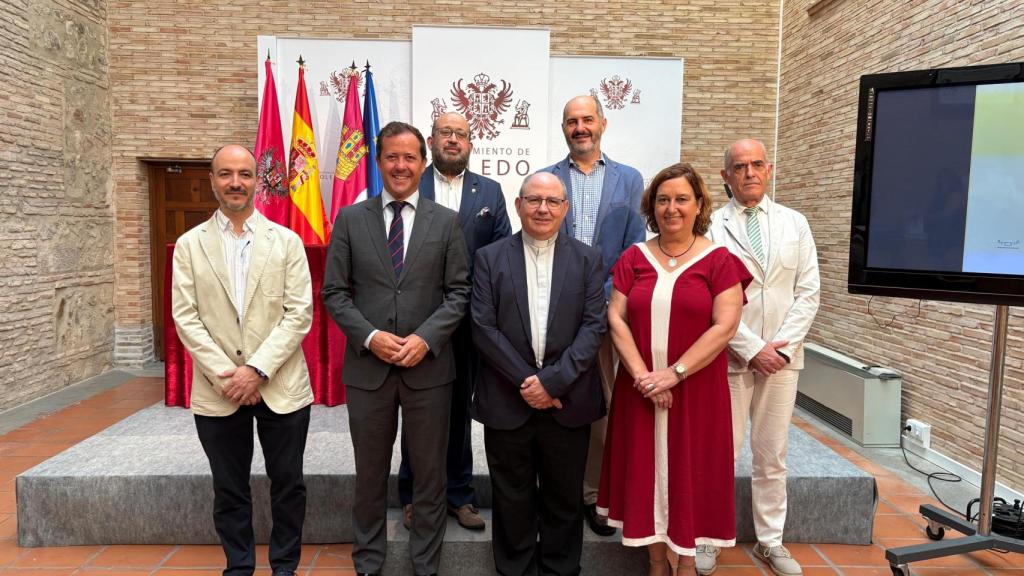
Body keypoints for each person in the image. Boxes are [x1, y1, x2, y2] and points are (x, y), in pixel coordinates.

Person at [321, 121, 471, 576]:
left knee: (429, 475)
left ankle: (426, 564)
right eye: (392, 157)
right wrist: (370, 336)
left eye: (410, 157)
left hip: (429, 370)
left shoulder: (446, 222)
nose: (401, 165)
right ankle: (368, 561)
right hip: (369, 369)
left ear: (423, 164)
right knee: (370, 474)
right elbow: (334, 293)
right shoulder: (350, 218)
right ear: (379, 161)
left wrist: (426, 339)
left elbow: (459, 292)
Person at [597, 163, 751, 576]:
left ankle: (685, 563)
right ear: (652, 206)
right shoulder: (634, 257)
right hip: (639, 389)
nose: (672, 208)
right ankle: (654, 564)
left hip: (696, 391)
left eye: (682, 199)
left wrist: (674, 373)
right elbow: (616, 318)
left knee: (692, 473)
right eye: (663, 199)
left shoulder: (720, 260)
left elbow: (726, 326)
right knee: (645, 474)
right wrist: (646, 378)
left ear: (699, 204)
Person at [171, 144, 314, 576]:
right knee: (229, 488)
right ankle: (239, 567)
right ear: (212, 180)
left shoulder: (286, 242)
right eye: (226, 174)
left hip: (281, 386)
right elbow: (185, 317)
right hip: (219, 390)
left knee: (288, 485)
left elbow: (299, 312)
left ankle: (285, 567)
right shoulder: (188, 245)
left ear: (259, 181)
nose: (236, 182)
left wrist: (256, 371)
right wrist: (228, 376)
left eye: (245, 174)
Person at [471, 172, 607, 576]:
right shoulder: (490, 257)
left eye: (552, 201)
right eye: (534, 200)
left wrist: (552, 382)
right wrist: (528, 383)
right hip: (506, 398)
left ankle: (560, 569)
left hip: (569, 399)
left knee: (564, 497)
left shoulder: (588, 258)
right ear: (518, 205)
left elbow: (594, 326)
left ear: (566, 208)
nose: (542, 208)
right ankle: (514, 569)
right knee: (511, 495)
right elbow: (483, 327)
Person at [703, 139, 820, 576]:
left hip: (783, 360)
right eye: (739, 166)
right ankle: (710, 538)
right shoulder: (712, 226)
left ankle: (771, 541)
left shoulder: (795, 223)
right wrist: (752, 348)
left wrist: (779, 349)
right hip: (731, 355)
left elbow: (808, 292)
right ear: (725, 176)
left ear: (768, 170)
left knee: (772, 454)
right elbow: (713, 297)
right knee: (721, 452)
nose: (749, 172)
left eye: (756, 165)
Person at [397, 111, 512, 532]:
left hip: (467, 325)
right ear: (431, 140)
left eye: (461, 134)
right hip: (417, 324)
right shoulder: (413, 185)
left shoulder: (491, 192)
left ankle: (460, 496)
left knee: (460, 412)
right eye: (445, 132)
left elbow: (501, 256)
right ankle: (413, 495)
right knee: (418, 412)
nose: (453, 140)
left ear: (470, 143)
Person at [540, 94, 645, 537]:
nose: (579, 127)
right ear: (563, 128)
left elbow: (634, 247)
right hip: (551, 311)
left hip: (607, 311)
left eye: (587, 120)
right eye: (571, 121)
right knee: (551, 398)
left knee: (601, 404)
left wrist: (602, 300)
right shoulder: (548, 179)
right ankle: (550, 490)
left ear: (602, 123)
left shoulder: (630, 180)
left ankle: (592, 495)